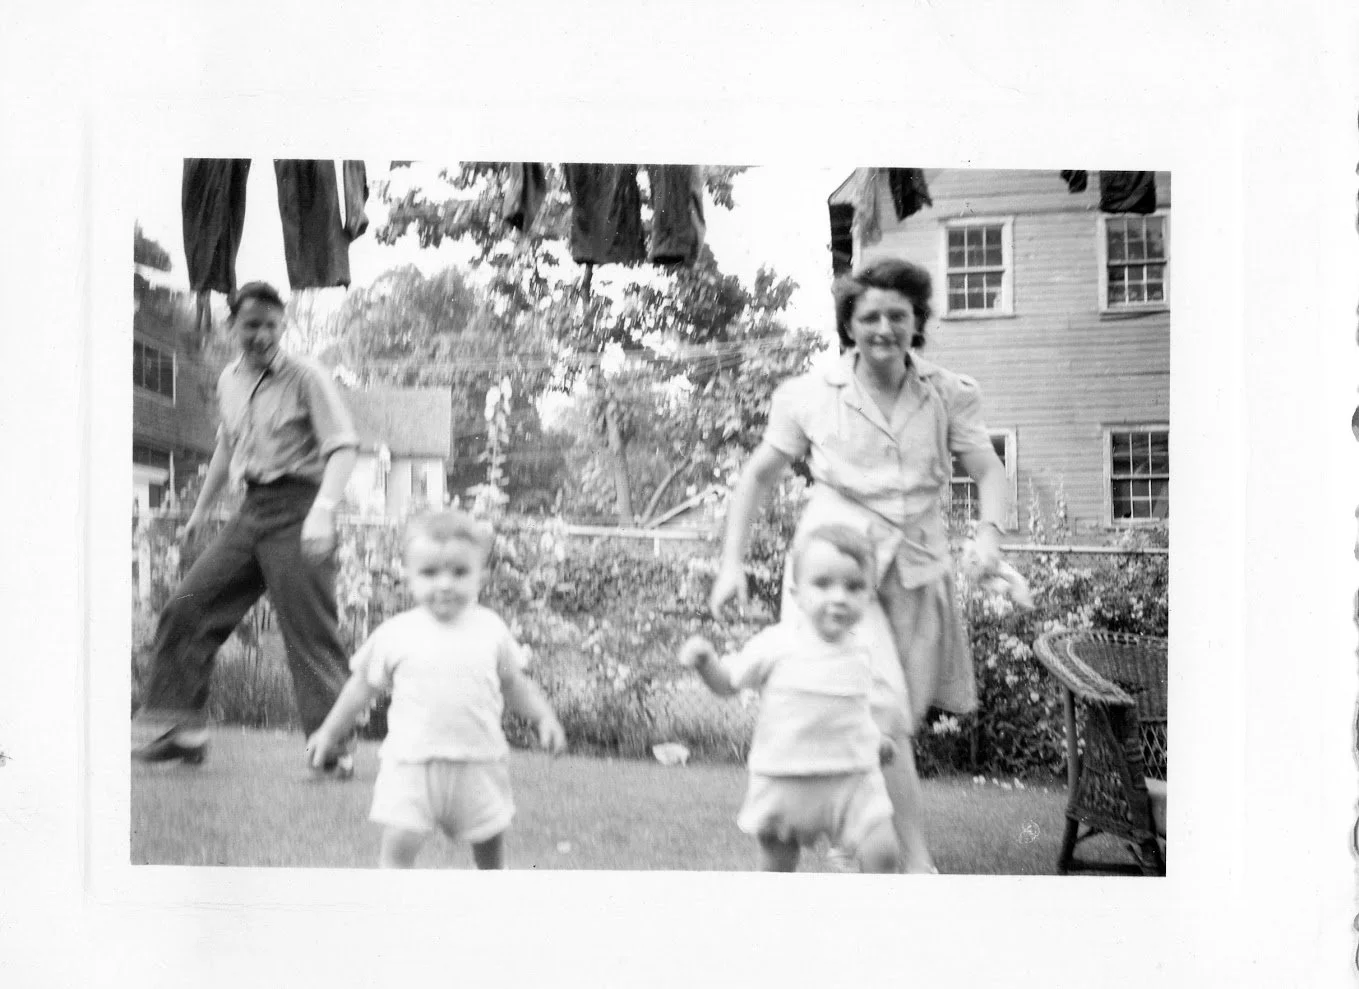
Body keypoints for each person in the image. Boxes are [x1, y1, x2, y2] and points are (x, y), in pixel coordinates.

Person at [708, 257, 1014, 874]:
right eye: (869, 315)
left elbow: (987, 470)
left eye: (897, 316)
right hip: (836, 567)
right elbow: (758, 476)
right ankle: (915, 863)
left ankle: (856, 839)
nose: (883, 328)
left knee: (893, 714)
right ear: (850, 323)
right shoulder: (809, 394)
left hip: (917, 566)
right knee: (882, 707)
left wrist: (988, 536)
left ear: (916, 322)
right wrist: (730, 564)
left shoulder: (950, 394)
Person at [133, 281, 360, 774]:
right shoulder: (229, 380)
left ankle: (334, 749)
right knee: (187, 608)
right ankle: (186, 731)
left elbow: (343, 447)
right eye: (251, 325)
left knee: (309, 632)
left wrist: (323, 511)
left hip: (300, 509)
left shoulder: (306, 377)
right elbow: (226, 448)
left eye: (272, 326)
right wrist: (199, 513)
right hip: (251, 511)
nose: (261, 335)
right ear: (232, 325)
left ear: (283, 327)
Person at [306, 510, 567, 869]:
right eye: (429, 573)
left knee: (490, 842)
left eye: (459, 572)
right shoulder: (397, 633)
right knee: (399, 843)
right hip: (412, 764)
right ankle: (394, 904)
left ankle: (494, 899)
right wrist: (328, 732)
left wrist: (544, 717)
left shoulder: (491, 629)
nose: (445, 584)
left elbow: (513, 684)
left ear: (481, 576)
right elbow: (360, 688)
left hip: (478, 761)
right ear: (409, 575)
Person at [680, 524, 902, 873]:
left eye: (854, 586)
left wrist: (878, 738)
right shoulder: (777, 644)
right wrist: (706, 662)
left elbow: (854, 707)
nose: (839, 597)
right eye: (823, 584)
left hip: (852, 779)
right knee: (777, 865)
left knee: (883, 851)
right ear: (797, 594)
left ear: (869, 596)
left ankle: (873, 921)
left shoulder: (865, 649)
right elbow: (728, 683)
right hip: (785, 778)